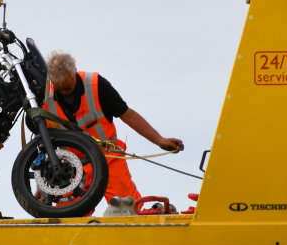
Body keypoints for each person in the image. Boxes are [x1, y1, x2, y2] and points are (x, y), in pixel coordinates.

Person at [43, 51, 183, 205]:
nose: (64, 94)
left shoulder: (96, 85)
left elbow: (127, 115)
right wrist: (43, 184)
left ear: (74, 72)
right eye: (60, 90)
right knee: (67, 217)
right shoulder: (44, 96)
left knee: (128, 208)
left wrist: (159, 140)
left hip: (108, 158)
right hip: (70, 166)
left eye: (68, 88)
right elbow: (44, 141)